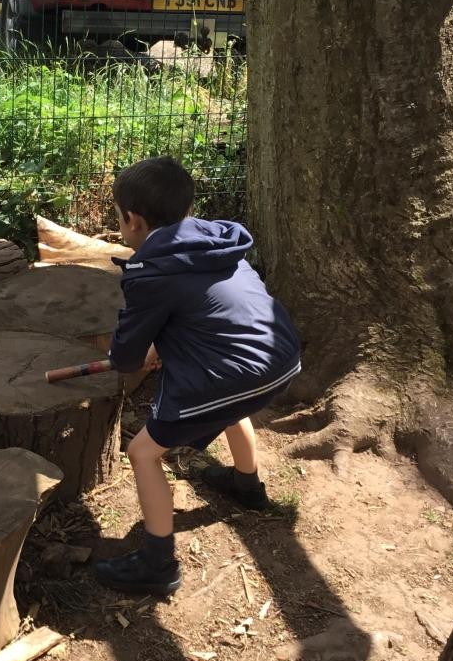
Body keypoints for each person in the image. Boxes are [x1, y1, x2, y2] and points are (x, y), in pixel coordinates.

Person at [94, 156, 301, 597]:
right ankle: (247, 486)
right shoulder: (216, 242)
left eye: (118, 217)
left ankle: (157, 563)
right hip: (281, 360)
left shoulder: (151, 272)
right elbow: (210, 312)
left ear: (132, 220)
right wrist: (163, 349)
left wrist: (131, 354)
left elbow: (127, 356)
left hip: (236, 373)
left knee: (143, 451)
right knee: (232, 406)